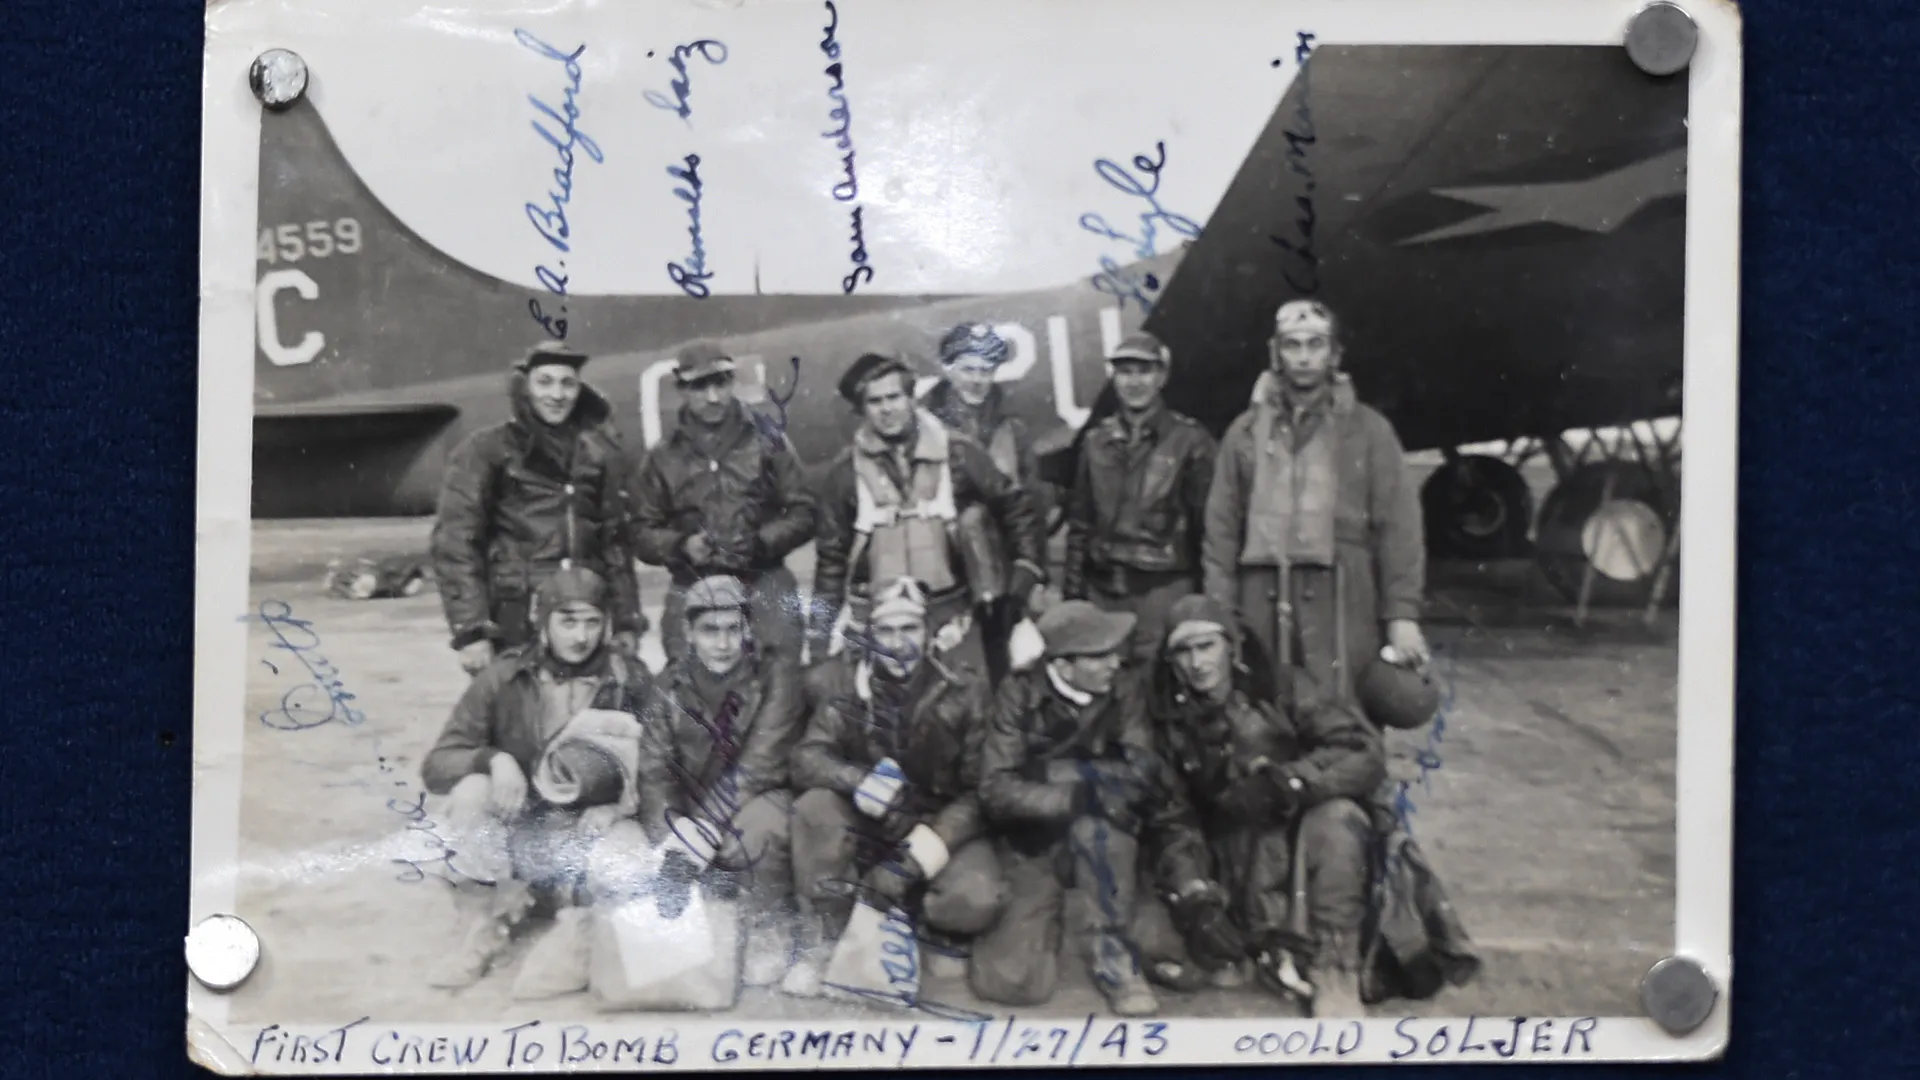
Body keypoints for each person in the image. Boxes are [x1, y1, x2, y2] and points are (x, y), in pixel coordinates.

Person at [419, 567, 654, 997]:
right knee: (471, 793)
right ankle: (480, 931)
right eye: (567, 621)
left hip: (589, 828)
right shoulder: (504, 677)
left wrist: (620, 807)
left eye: (592, 622)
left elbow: (662, 762)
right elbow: (437, 765)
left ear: (607, 624)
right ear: (541, 620)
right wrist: (494, 759)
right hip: (525, 825)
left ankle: (581, 928)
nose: (580, 637)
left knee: (630, 861)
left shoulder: (630, 678)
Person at [1144, 594, 1382, 1016]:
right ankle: (1259, 943)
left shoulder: (1283, 688)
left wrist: (1289, 782)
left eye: (1207, 646)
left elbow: (1362, 753)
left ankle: (1335, 968)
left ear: (1231, 645)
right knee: (1158, 944)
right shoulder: (1168, 722)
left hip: (1303, 839)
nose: (1197, 663)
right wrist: (1195, 895)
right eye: (1183, 651)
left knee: (1339, 820)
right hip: (1231, 853)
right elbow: (1172, 817)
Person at [1202, 299, 1428, 716]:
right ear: (1276, 353)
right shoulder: (1245, 433)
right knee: (1262, 713)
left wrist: (1402, 615)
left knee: (1345, 713)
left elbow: (1399, 529)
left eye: (1315, 344)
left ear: (1334, 355)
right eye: (1292, 345)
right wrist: (1220, 611)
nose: (1304, 357)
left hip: (1343, 598)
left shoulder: (1369, 431)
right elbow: (1221, 530)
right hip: (1261, 597)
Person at [782, 577, 1004, 996]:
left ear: (929, 631)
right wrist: (860, 781)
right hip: (870, 821)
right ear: (869, 636)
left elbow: (981, 792)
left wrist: (913, 860)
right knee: (815, 808)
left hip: (937, 826)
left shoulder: (966, 689)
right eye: (885, 631)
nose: (898, 644)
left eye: (910, 629)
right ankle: (825, 938)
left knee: (976, 898)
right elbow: (807, 757)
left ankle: (924, 925)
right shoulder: (849, 686)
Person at [971, 600, 1166, 1016]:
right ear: (1062, 665)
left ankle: (1116, 961)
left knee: (1103, 831)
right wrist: (1076, 795)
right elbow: (995, 788)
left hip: (1102, 831)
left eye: (1114, 652)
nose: (1114, 663)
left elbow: (1142, 770)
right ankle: (1045, 915)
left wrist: (1056, 776)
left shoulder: (1124, 688)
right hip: (1034, 840)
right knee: (1012, 982)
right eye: (1099, 656)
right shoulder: (1019, 693)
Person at [809, 351, 1046, 679]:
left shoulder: (959, 453)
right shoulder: (845, 474)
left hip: (954, 611)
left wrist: (1024, 572)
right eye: (875, 401)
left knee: (975, 691)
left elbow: (1016, 506)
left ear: (911, 398)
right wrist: (819, 637)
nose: (887, 409)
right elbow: (832, 559)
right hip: (885, 618)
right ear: (861, 410)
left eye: (894, 397)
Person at [431, 342, 643, 675]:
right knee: (515, 705)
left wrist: (626, 621)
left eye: (567, 383)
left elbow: (614, 544)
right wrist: (471, 630)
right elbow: (456, 543)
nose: (557, 395)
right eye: (545, 382)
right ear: (525, 388)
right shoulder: (485, 450)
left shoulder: (596, 455)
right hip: (516, 619)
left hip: (582, 616)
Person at [633, 574, 804, 986]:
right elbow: (654, 771)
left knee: (757, 832)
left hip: (758, 799)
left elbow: (759, 765)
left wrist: (699, 835)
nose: (723, 643)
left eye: (733, 629)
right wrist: (674, 836)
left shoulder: (776, 677)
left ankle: (770, 927)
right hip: (694, 812)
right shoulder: (669, 684)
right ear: (689, 632)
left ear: (748, 629)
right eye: (710, 630)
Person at [629, 340, 817, 662]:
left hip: (764, 579)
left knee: (780, 672)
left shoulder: (768, 440)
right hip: (692, 581)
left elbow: (805, 510)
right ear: (682, 389)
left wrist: (762, 543)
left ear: (732, 382)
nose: (713, 396)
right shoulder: (662, 457)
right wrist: (681, 546)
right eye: (700, 387)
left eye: (721, 383)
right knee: (686, 673)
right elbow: (640, 531)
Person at [1063, 330, 1217, 664]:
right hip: (1103, 591)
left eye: (1144, 371)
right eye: (1125, 372)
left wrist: (1206, 600)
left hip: (1164, 591)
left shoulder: (1190, 440)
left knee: (1161, 681)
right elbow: (1080, 524)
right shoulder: (1095, 441)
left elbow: (1208, 529)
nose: (1134, 382)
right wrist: (1072, 598)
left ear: (1162, 377)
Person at [925, 323, 1057, 682]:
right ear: (947, 368)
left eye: (986, 371)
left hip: (1006, 564)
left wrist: (1030, 569)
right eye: (968, 369)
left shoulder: (1012, 426)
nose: (977, 380)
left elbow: (1029, 500)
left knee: (1015, 668)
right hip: (947, 569)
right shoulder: (925, 426)